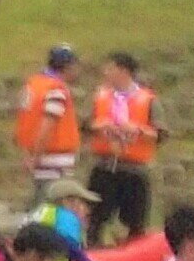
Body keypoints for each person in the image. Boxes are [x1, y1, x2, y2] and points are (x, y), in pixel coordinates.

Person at [85, 53, 162, 244]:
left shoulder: (148, 99)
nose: (105, 72)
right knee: (95, 218)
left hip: (134, 170)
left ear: (124, 71)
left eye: (110, 68)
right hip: (104, 167)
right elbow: (85, 125)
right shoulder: (100, 96)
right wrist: (100, 126)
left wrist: (139, 130)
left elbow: (161, 134)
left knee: (136, 223)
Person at [15, 43, 84, 205]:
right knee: (51, 208)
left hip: (35, 156)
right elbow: (47, 126)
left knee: (40, 203)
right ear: (67, 67)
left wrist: (28, 155)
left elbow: (25, 122)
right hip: (53, 161)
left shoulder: (33, 85)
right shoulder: (55, 90)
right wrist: (36, 157)